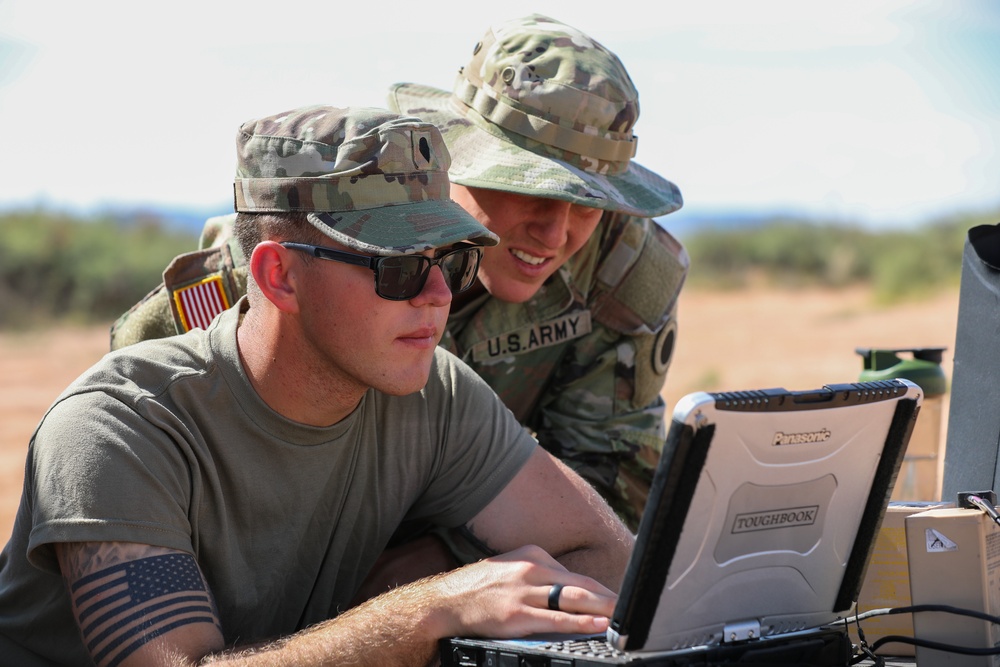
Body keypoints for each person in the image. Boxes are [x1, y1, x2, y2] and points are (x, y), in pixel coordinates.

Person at [0, 106, 634, 667]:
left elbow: (606, 557)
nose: (440, 297)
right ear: (280, 277)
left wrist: (444, 577)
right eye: (401, 268)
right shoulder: (117, 429)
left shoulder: (431, 394)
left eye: (451, 262)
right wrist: (431, 610)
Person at [109, 15, 689, 538]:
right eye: (530, 190)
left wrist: (442, 568)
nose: (556, 232)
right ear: (459, 158)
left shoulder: (623, 274)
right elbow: (137, 433)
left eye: (589, 202)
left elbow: (612, 487)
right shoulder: (287, 266)